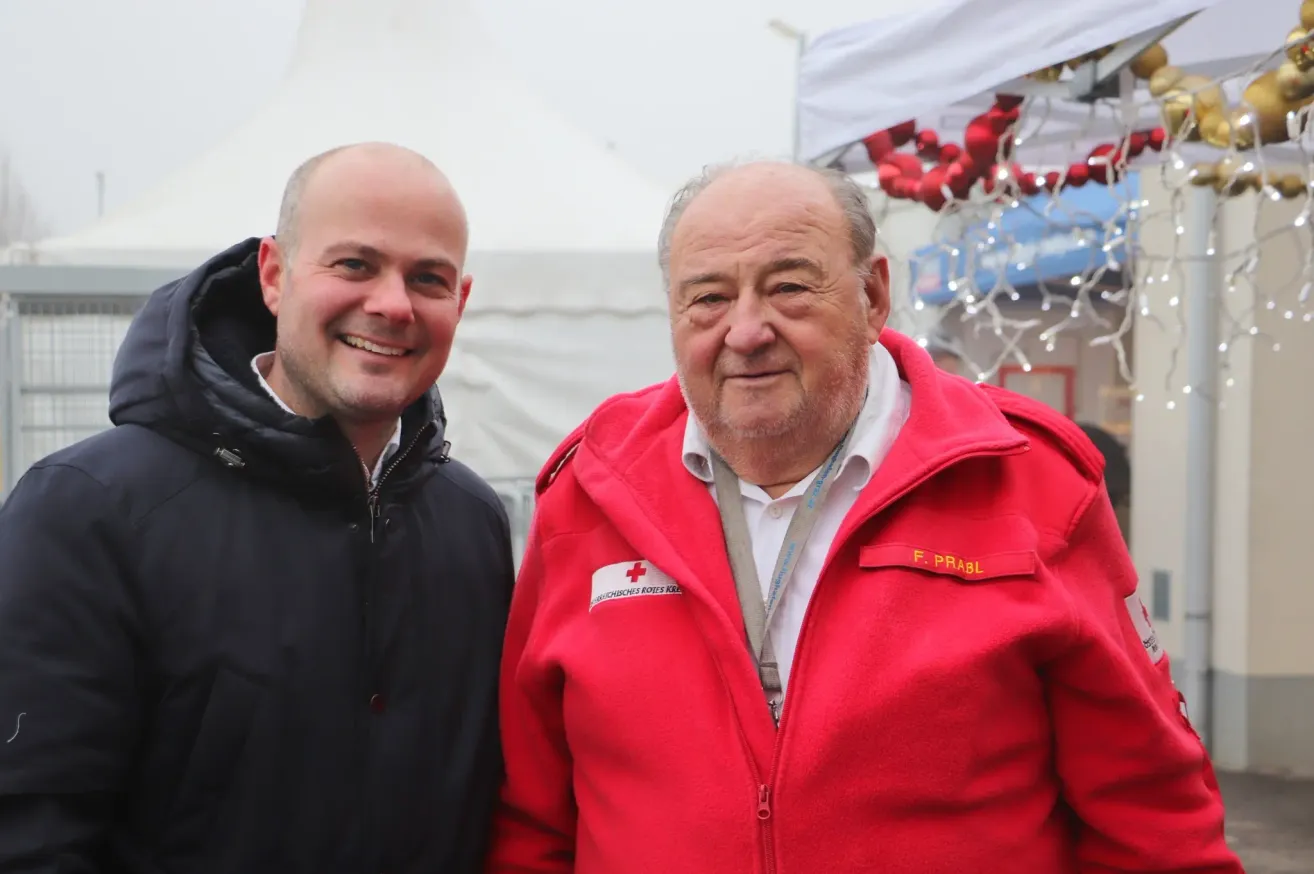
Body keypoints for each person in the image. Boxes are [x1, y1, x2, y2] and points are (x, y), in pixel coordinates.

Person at [486, 160, 1242, 873]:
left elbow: (1152, 814)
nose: (746, 331)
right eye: (708, 297)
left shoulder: (1027, 480)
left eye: (788, 287)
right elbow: (533, 823)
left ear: (874, 296)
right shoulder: (589, 491)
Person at [0, 142, 515, 872]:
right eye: (355, 265)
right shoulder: (91, 511)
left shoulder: (471, 522)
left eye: (426, 278)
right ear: (274, 276)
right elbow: (30, 834)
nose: (392, 304)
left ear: (459, 303)